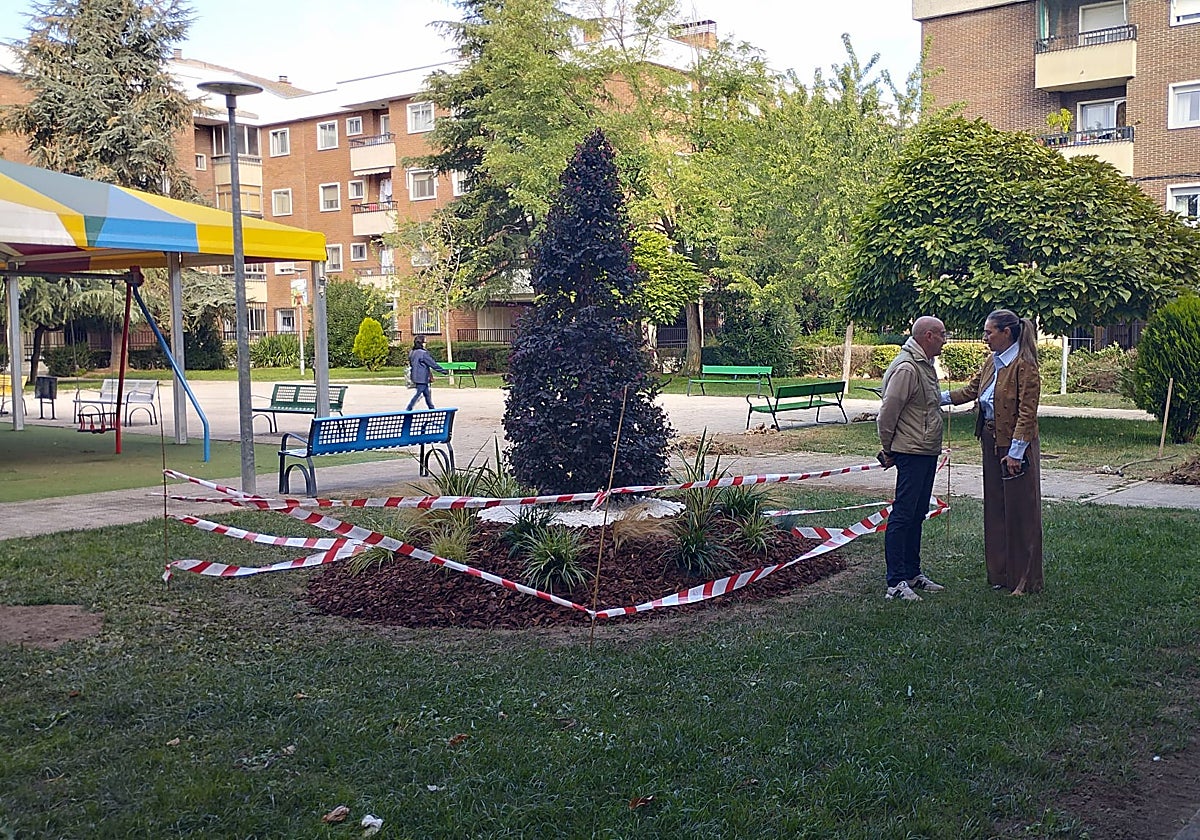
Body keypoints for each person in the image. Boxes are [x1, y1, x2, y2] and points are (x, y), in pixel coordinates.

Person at [945, 309, 1043, 595]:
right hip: (990, 441)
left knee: (1021, 512)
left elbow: (1027, 412)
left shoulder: (1024, 365)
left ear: (1006, 333)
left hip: (1015, 446)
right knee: (997, 509)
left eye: (989, 332)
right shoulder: (992, 362)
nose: (985, 337)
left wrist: (1015, 453)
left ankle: (1025, 580)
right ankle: (1000, 574)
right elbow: (971, 392)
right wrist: (932, 398)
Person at [876, 315, 950, 602]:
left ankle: (912, 572)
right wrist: (888, 449)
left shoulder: (925, 365)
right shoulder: (907, 368)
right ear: (928, 336)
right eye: (942, 334)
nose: (945, 339)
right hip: (911, 451)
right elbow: (888, 412)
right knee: (903, 515)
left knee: (917, 513)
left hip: (926, 450)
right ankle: (895, 582)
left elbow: (929, 404)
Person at [406, 336, 447, 411]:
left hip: (415, 376)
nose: (425, 344)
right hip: (422, 377)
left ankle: (431, 408)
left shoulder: (412, 352)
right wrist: (442, 371)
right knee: (419, 393)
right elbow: (432, 363)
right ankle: (409, 408)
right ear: (421, 343)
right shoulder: (423, 353)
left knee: (427, 393)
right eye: (425, 342)